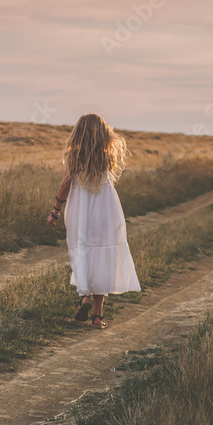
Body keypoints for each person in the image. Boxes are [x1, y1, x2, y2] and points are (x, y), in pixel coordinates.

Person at [47, 113, 140, 329]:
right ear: (103, 133)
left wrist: (55, 210)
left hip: (81, 212)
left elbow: (64, 186)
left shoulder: (74, 156)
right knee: (103, 257)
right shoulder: (107, 156)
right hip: (106, 211)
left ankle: (84, 296)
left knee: (81, 251)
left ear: (78, 132)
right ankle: (97, 316)